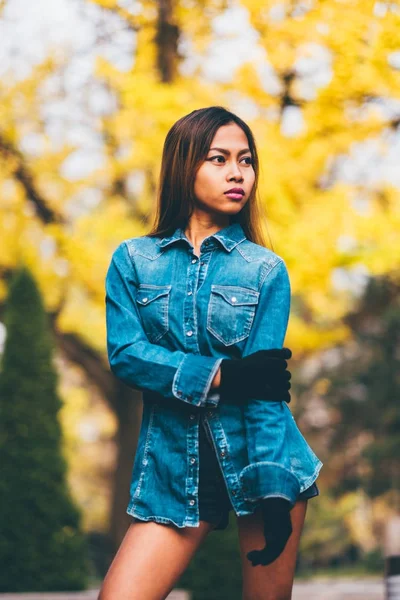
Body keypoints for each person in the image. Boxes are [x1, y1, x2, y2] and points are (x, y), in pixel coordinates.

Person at [100, 106, 323, 600]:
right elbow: (126, 355)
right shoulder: (133, 261)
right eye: (219, 159)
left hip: (262, 463)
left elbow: (265, 395)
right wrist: (221, 375)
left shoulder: (265, 270)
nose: (237, 172)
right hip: (172, 470)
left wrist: (272, 488)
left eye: (246, 161)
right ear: (185, 166)